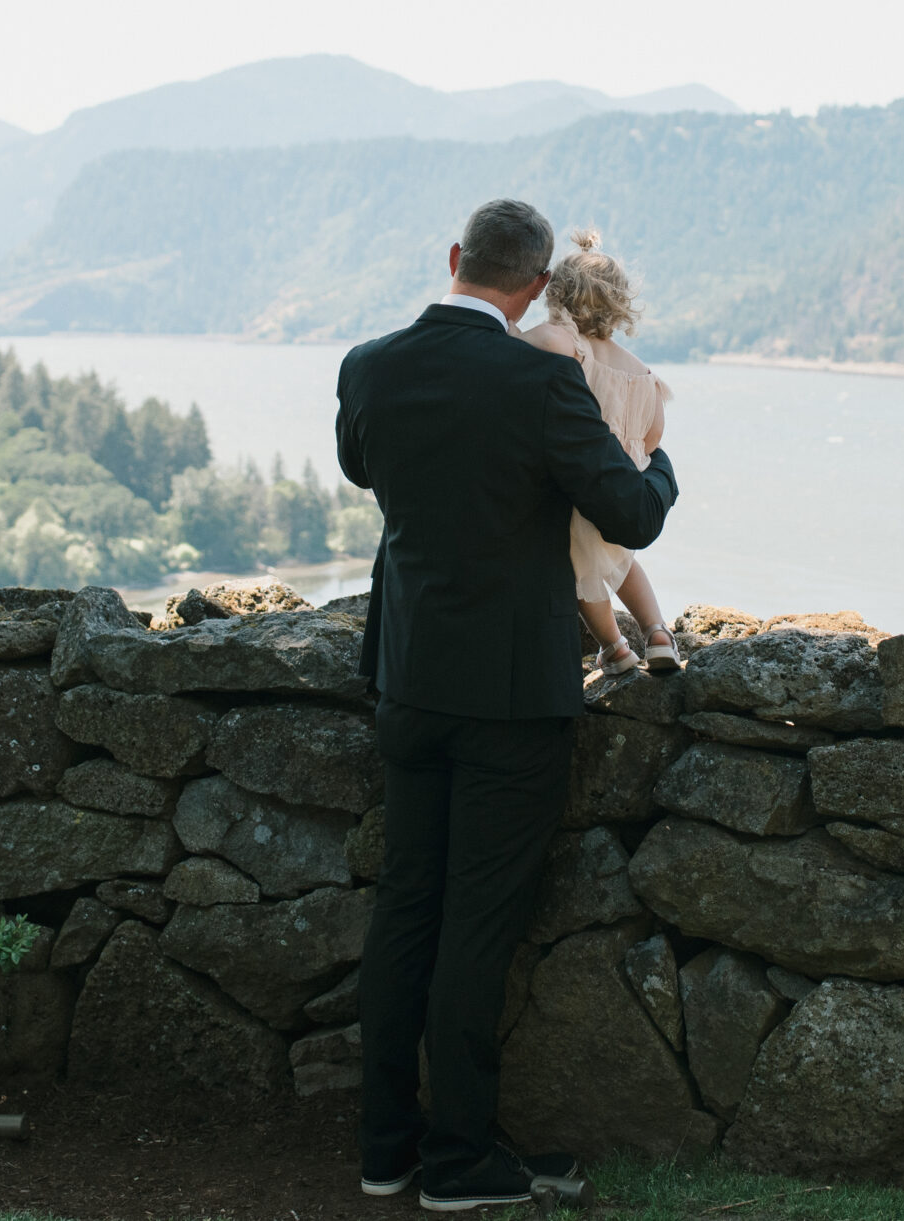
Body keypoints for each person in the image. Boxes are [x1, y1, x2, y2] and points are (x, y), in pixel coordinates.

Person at [337, 198, 678, 1211]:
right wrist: (657, 459)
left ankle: (385, 1147)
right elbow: (630, 514)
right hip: (511, 694)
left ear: (453, 259)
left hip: (405, 672)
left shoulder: (369, 363)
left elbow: (364, 466)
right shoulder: (541, 378)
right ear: (535, 286)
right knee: (477, 924)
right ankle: (459, 1160)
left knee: (405, 909)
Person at [520, 229, 680, 677]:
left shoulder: (564, 342)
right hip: (624, 481)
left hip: (580, 484)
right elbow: (653, 437)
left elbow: (523, 349)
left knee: (583, 575)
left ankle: (615, 647)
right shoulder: (640, 371)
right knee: (623, 562)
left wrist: (509, 332)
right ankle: (658, 633)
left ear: (557, 292)